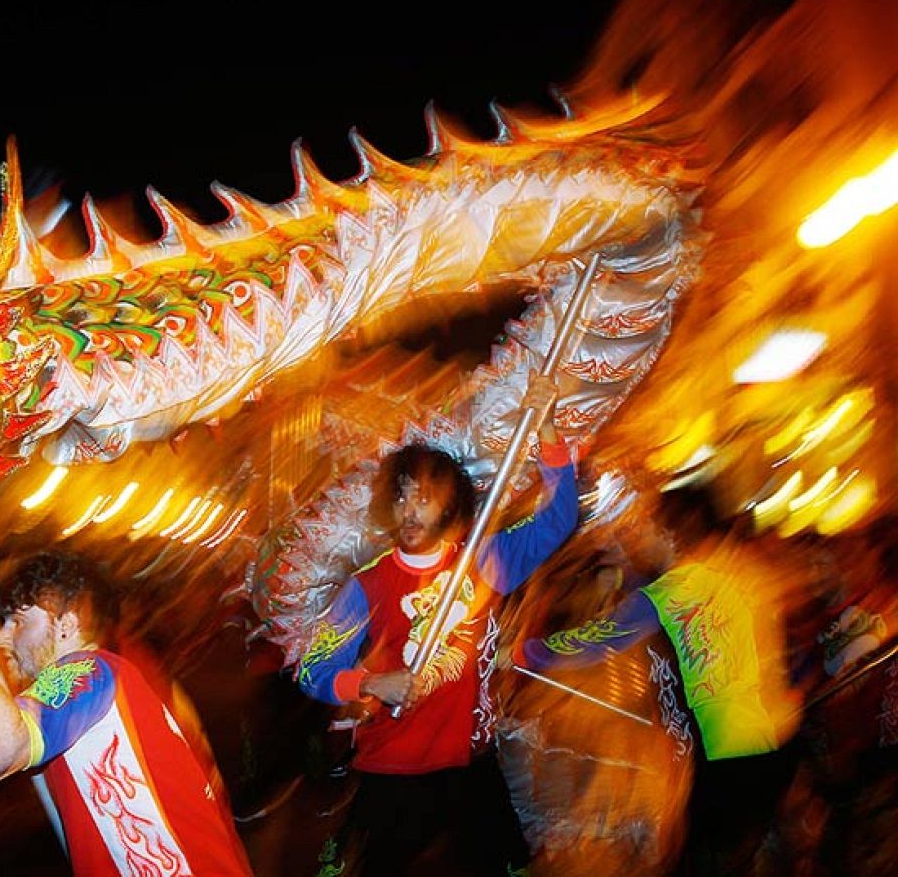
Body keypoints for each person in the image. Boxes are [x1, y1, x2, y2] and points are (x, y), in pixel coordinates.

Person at [295, 372, 577, 875]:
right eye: (401, 496)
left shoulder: (486, 563)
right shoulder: (367, 586)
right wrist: (370, 682)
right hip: (392, 775)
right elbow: (313, 669)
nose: (409, 508)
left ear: (450, 503)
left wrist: (549, 431)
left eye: (423, 496)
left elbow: (558, 520)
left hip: (469, 770)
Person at [0, 542, 253, 876]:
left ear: (66, 625)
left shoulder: (89, 670)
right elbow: (1, 707)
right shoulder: (95, 688)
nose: (4, 639)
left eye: (19, 622)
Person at [514, 492, 800, 872]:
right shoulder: (738, 568)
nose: (638, 536)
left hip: (728, 754)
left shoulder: (676, 589)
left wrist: (524, 653)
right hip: (777, 740)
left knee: (695, 858)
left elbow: (603, 637)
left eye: (646, 527)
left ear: (669, 534)